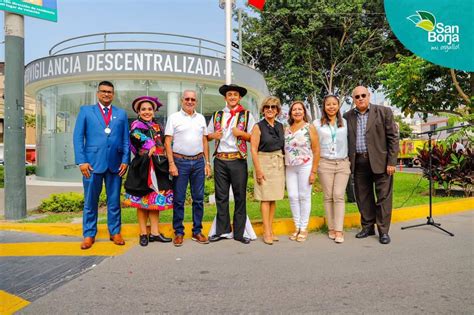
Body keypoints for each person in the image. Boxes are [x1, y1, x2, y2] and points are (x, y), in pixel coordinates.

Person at [73, 81, 130, 250]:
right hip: (91, 164)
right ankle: (89, 234)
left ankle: (115, 232)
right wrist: (81, 161)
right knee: (90, 201)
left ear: (113, 94)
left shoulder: (121, 114)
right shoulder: (86, 111)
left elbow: (125, 140)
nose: (106, 94)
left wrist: (125, 160)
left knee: (114, 201)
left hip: (115, 165)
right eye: (103, 91)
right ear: (98, 93)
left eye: (110, 92)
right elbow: (78, 137)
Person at [344, 86, 399, 244]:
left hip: (381, 163)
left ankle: (383, 231)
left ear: (369, 96)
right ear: (353, 99)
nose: (360, 98)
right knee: (363, 197)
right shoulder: (347, 116)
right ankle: (368, 227)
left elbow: (393, 138)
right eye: (357, 96)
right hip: (359, 162)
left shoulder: (384, 112)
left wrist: (392, 162)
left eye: (363, 95)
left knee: (383, 197)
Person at [207, 84, 256, 244]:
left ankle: (240, 233)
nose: (233, 97)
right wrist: (213, 135)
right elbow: (207, 136)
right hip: (220, 160)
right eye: (230, 95)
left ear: (239, 97)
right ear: (225, 98)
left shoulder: (246, 115)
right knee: (221, 197)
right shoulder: (216, 115)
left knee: (240, 197)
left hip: (238, 159)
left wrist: (241, 134)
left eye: (235, 95)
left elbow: (254, 137)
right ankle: (223, 231)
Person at [123, 96, 173, 247]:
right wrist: (149, 143)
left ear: (154, 111)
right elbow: (135, 136)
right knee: (141, 200)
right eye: (143, 109)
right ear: (138, 111)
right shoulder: (136, 125)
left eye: (150, 109)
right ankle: (143, 233)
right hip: (143, 166)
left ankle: (155, 233)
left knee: (154, 200)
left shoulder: (157, 126)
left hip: (158, 166)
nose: (147, 112)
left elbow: (164, 142)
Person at [164, 90, 211, 247]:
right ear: (181, 100)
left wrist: (207, 163)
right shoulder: (174, 118)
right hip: (180, 162)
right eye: (187, 99)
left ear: (196, 101)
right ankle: (178, 232)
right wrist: (171, 163)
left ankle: (197, 231)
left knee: (198, 199)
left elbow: (204, 141)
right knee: (179, 200)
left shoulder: (201, 118)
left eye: (193, 99)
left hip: (198, 162)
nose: (190, 101)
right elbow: (167, 142)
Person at [314, 95, 351, 244]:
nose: (331, 107)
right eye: (328, 104)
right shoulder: (317, 124)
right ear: (324, 107)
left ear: (338, 106)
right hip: (325, 163)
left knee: (338, 195)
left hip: (342, 163)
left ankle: (339, 230)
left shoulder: (345, 123)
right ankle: (331, 228)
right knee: (328, 196)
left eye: (334, 104)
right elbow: (314, 144)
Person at [250, 96, 285, 245]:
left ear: (277, 110)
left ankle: (271, 229)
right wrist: (258, 170)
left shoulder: (280, 126)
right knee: (265, 198)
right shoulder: (258, 127)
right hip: (263, 161)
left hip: (277, 162)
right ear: (263, 110)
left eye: (273, 107)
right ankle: (266, 231)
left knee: (273, 198)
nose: (270, 110)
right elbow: (253, 149)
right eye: (267, 107)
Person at [284, 101, 320, 242]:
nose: (297, 112)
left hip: (305, 165)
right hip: (290, 167)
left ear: (304, 112)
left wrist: (313, 172)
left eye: (300, 109)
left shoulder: (309, 128)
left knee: (304, 196)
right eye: (294, 109)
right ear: (290, 113)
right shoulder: (286, 129)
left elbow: (316, 150)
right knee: (293, 196)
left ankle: (303, 228)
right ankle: (297, 227)